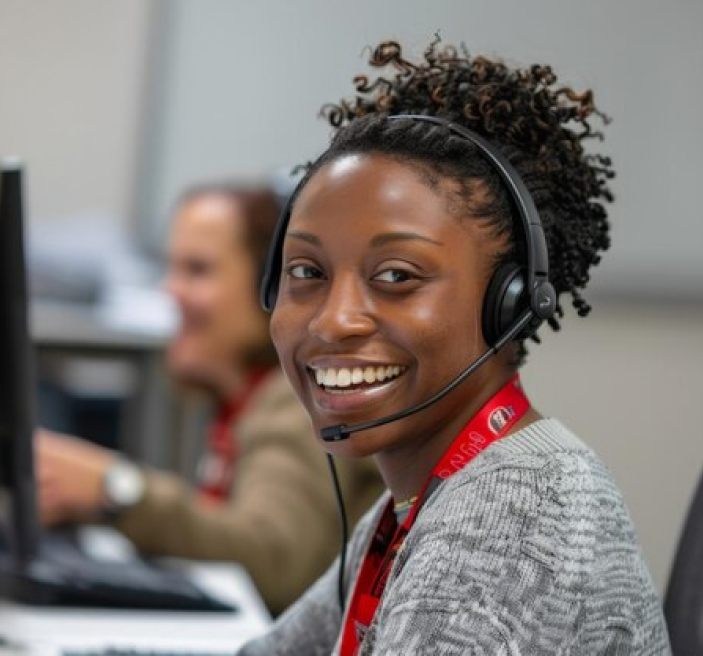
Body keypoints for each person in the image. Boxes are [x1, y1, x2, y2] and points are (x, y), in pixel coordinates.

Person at [238, 40, 672, 654]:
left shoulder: (514, 512)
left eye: (396, 276)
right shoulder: (424, 499)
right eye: (307, 272)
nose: (333, 322)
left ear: (511, 303)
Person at [36, 183, 384, 616]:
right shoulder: (242, 401)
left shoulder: (299, 400)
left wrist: (116, 489)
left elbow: (276, 560)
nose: (171, 291)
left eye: (197, 270)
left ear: (273, 290)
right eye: (172, 268)